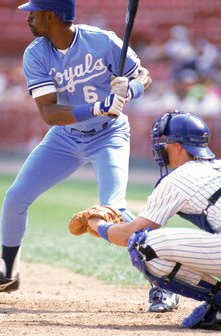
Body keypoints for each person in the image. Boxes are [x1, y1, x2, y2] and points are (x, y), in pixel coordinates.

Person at [0, 0, 156, 302]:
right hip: (64, 137)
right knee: (15, 198)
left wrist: (131, 89)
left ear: (51, 17)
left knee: (114, 207)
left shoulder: (103, 41)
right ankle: (7, 275)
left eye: (33, 14)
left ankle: (161, 285)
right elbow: (50, 113)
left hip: (109, 135)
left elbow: (144, 76)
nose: (27, 19)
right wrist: (97, 107)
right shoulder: (36, 53)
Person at [82, 110, 221, 330]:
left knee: (142, 245)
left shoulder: (178, 178)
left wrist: (97, 224)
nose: (160, 147)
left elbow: (131, 234)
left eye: (165, 141)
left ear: (178, 147)